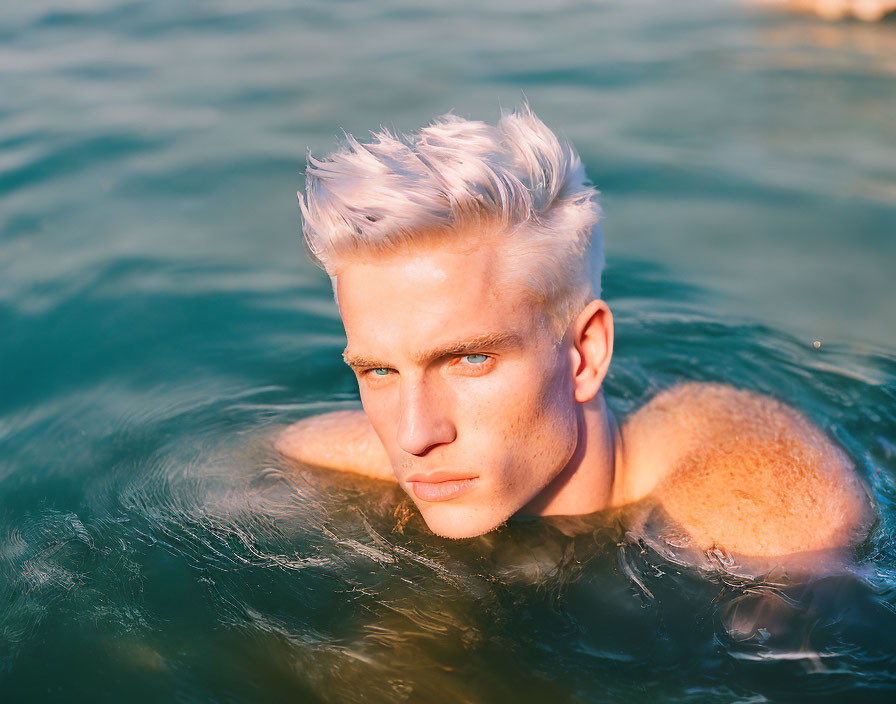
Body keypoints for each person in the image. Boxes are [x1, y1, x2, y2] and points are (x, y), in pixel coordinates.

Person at [277, 104, 873, 562]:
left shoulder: (761, 521)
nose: (412, 436)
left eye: (469, 360)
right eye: (379, 371)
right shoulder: (326, 460)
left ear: (586, 353)